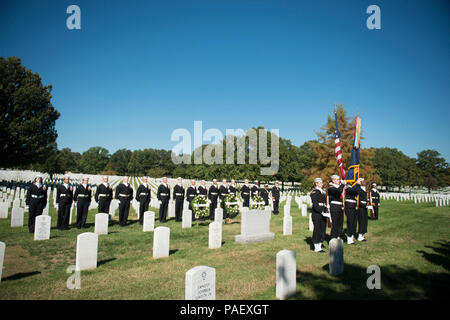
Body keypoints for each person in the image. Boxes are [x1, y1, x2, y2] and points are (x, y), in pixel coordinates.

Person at [310, 178, 328, 252]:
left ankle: (320, 245)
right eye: (320, 183)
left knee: (322, 229)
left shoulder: (323, 192)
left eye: (321, 182)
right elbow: (315, 204)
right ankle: (316, 246)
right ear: (316, 183)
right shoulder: (314, 192)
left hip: (323, 211)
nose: (322, 184)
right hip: (317, 213)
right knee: (317, 229)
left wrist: (326, 208)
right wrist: (321, 212)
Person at [327, 175, 346, 239]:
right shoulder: (331, 188)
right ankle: (333, 237)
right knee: (335, 223)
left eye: (339, 179)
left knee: (340, 223)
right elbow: (337, 192)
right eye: (337, 180)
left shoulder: (339, 188)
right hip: (334, 207)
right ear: (333, 180)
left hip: (340, 207)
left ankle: (338, 235)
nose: (339, 181)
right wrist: (343, 185)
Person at [344, 180, 359, 245]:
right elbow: (354, 191)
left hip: (354, 206)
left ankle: (351, 237)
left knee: (354, 222)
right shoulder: (347, 188)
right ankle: (349, 239)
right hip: (349, 206)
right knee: (350, 222)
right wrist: (358, 185)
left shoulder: (353, 188)